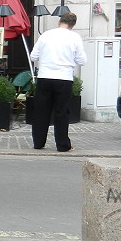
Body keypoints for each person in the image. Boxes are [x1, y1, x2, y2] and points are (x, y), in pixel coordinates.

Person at [30, 12, 87, 152]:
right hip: (64, 78)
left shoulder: (46, 35)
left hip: (45, 76)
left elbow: (33, 56)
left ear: (59, 21)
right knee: (62, 112)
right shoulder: (74, 37)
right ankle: (62, 145)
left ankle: (38, 142)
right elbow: (82, 61)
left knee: (41, 111)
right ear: (73, 25)